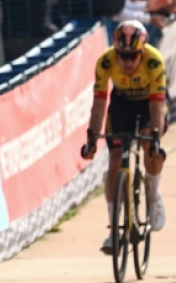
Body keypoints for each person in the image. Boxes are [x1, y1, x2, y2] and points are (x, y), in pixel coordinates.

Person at [83, 20, 167, 253]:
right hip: (121, 105)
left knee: (150, 143)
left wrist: (155, 140)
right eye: (123, 56)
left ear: (142, 51)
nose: (128, 62)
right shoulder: (106, 61)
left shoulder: (153, 60)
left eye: (133, 56)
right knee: (115, 161)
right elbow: (99, 103)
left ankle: (153, 193)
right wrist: (91, 138)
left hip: (149, 103)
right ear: (116, 51)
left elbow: (158, 107)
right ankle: (113, 232)